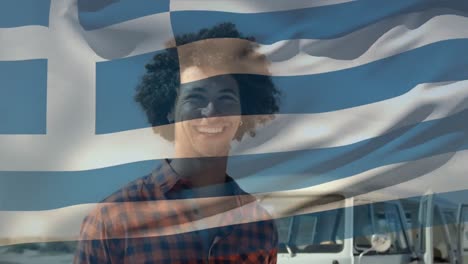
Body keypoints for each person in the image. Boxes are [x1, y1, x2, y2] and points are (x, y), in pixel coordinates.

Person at [74, 22, 280, 263]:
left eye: (226, 98)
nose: (212, 111)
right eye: (196, 97)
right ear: (169, 109)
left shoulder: (258, 223)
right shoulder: (113, 218)